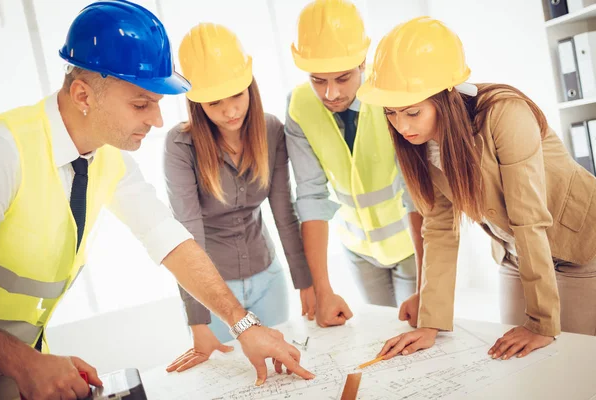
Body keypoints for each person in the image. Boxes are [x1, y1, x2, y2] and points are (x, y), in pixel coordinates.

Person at [0, 2, 312, 399]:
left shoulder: (109, 159)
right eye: (141, 104)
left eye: (159, 104)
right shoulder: (5, 152)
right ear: (83, 94)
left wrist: (243, 325)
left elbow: (168, 238)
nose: (158, 121)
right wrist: (24, 361)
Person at [358, 16, 596, 361]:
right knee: (518, 360)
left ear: (446, 97)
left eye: (412, 112)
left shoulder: (504, 113)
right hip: (516, 251)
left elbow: (529, 218)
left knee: (574, 361)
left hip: (580, 245)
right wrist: (430, 322)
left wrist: (542, 323)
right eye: (391, 113)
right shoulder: (421, 142)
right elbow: (439, 228)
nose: (401, 126)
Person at [164, 23, 314, 373]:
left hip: (270, 279)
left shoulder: (272, 129)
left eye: (237, 95)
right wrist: (198, 322)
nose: (230, 110)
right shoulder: (179, 145)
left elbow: (283, 211)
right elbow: (186, 234)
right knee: (235, 383)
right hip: (214, 293)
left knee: (280, 375)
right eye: (215, 102)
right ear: (196, 102)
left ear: (250, 86)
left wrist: (305, 280)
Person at [285, 0, 425, 328]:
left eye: (343, 78)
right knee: (381, 334)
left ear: (363, 61)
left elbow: (414, 190)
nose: (330, 93)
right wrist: (323, 290)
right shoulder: (299, 105)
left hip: (411, 245)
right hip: (359, 251)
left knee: (417, 334)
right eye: (318, 79)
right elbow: (311, 197)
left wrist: (426, 287)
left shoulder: (392, 91)